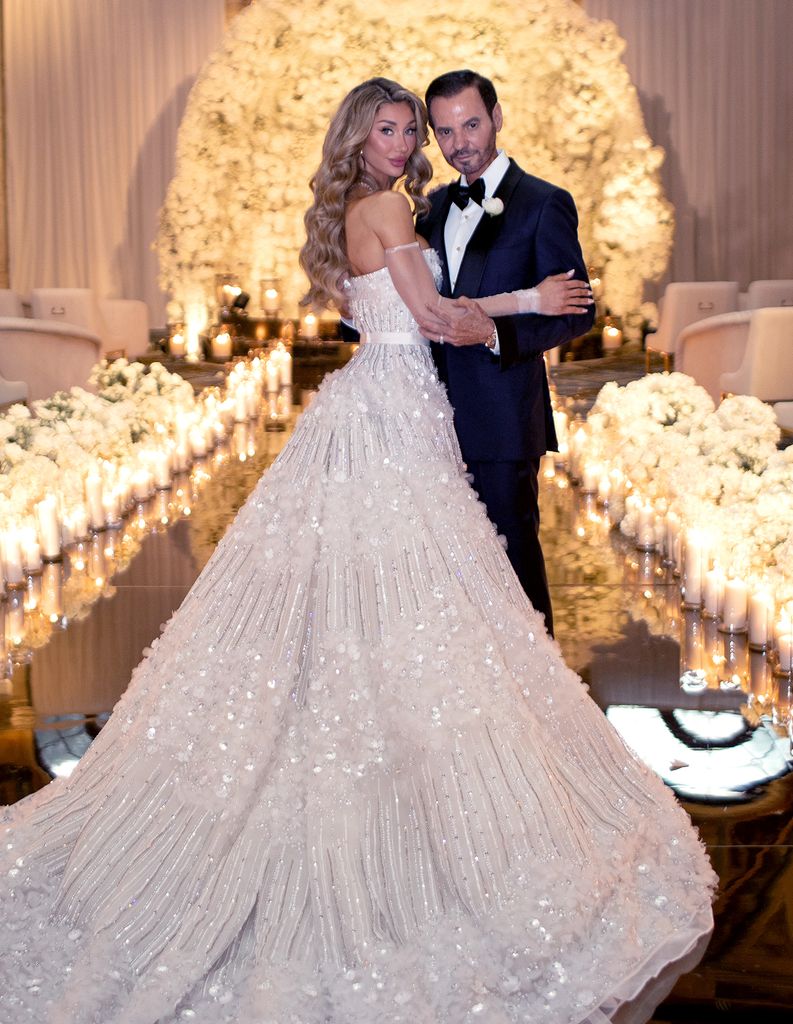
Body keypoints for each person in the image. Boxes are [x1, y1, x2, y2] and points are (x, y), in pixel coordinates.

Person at [0, 78, 714, 1024]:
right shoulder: (389, 208)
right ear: (359, 137)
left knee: (399, 574)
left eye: (414, 129)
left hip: (387, 400)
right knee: (430, 574)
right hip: (396, 403)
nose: (408, 142)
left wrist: (517, 303)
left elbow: (388, 310)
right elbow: (435, 316)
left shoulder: (372, 208)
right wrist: (525, 298)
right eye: (392, 128)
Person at [415, 69, 596, 636]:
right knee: (443, 565)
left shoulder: (544, 203)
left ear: (496, 117)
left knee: (513, 561)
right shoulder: (431, 209)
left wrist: (494, 334)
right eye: (445, 132)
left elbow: (578, 311)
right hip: (428, 416)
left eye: (471, 125)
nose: (460, 143)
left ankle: (540, 676)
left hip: (503, 415)